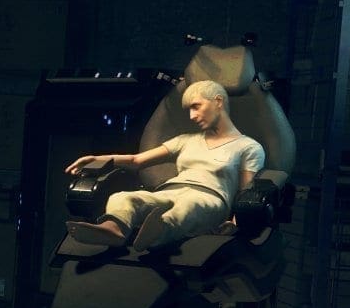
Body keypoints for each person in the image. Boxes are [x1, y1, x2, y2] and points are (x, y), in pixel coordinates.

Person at [63, 79, 265, 252]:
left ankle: (157, 233)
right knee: (124, 197)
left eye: (196, 106)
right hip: (169, 191)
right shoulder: (185, 140)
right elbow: (136, 160)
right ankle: (113, 230)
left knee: (189, 206)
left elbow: (245, 192)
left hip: (210, 198)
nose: (192, 116)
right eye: (189, 110)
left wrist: (234, 223)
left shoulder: (248, 147)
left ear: (218, 102)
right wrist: (97, 159)